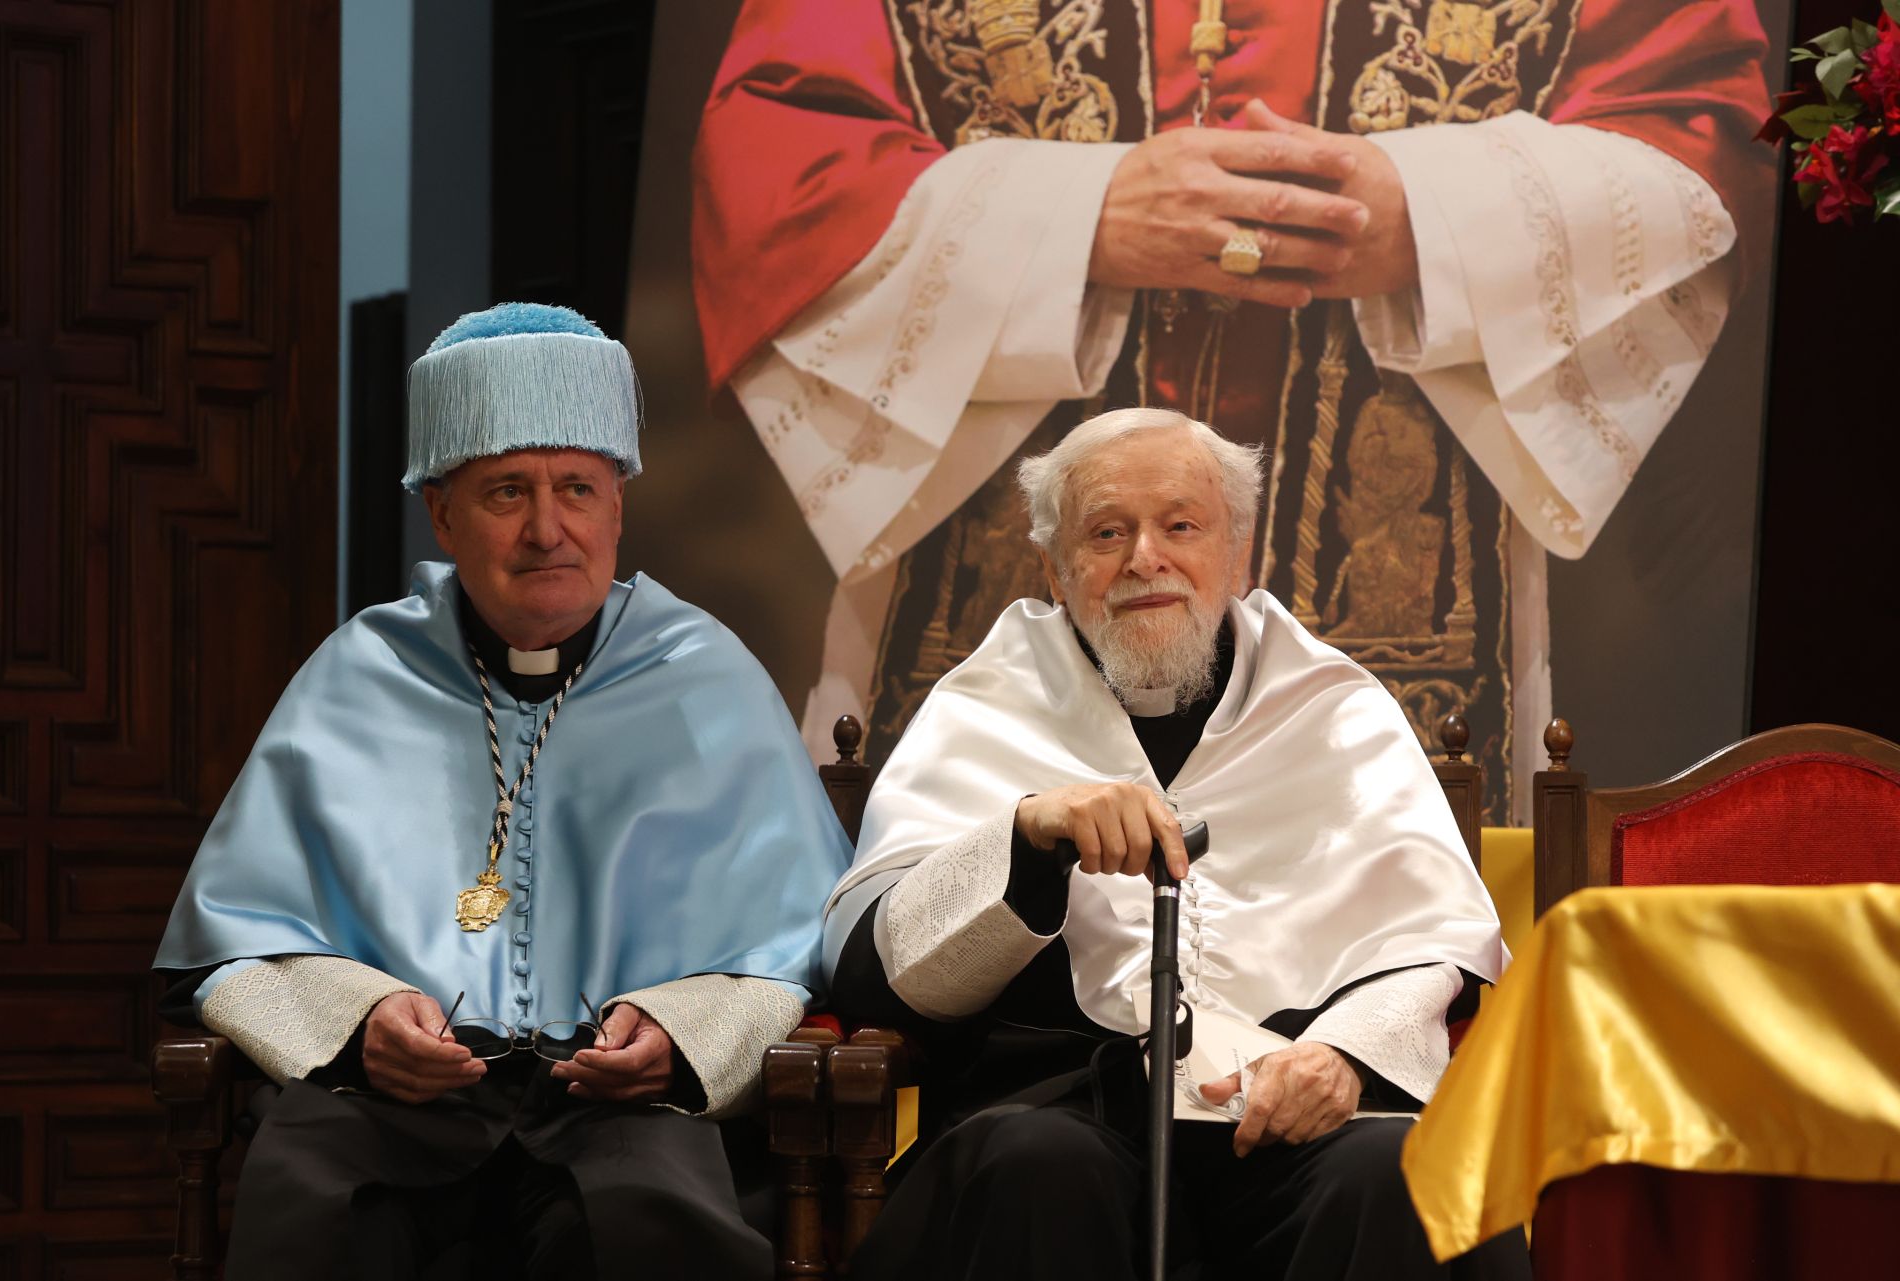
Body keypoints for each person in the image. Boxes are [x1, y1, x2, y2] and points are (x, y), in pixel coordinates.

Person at [693, 0, 1774, 814]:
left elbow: (1693, 123)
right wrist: (1080, 219)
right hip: (978, 565)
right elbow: (774, 156)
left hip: (1417, 568)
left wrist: (1431, 218)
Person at [153, 302, 852, 1279]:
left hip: (619, 1104)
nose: (546, 530)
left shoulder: (705, 676)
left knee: (649, 1224)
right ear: (441, 513)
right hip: (389, 1104)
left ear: (618, 507)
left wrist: (682, 1032)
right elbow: (239, 940)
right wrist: (358, 1023)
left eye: (577, 487)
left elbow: (791, 947)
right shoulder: (361, 674)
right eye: (505, 493)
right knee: (312, 1211)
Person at [822, 406, 1523, 1279]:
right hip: (1070, 1107)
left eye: (1180, 525)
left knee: (1402, 1176)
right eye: (1107, 531)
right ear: (1055, 565)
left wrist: (1342, 1053)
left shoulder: (1332, 705)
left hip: (1287, 1120)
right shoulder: (985, 706)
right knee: (1033, 1166)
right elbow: (873, 971)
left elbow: (1430, 941)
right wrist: (1026, 838)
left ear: (1237, 550)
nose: (1145, 557)